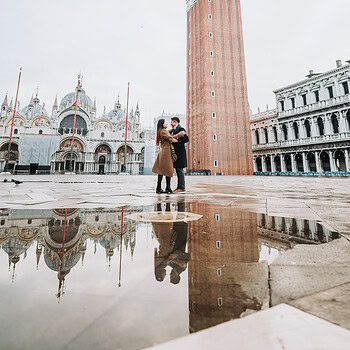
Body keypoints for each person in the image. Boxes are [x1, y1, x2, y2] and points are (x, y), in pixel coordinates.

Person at [152, 119, 184, 194]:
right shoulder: (163, 131)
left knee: (162, 170)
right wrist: (178, 135)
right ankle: (167, 187)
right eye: (165, 122)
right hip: (166, 152)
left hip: (164, 151)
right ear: (162, 124)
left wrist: (173, 129)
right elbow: (170, 138)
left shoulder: (162, 131)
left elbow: (168, 133)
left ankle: (160, 187)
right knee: (167, 170)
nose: (167, 123)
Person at [170, 117, 189, 193]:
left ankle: (181, 187)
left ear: (176, 122)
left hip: (180, 153)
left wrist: (177, 140)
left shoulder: (180, 129)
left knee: (179, 170)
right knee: (178, 170)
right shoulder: (174, 130)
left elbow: (186, 139)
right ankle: (179, 186)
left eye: (172, 122)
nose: (171, 123)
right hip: (177, 153)